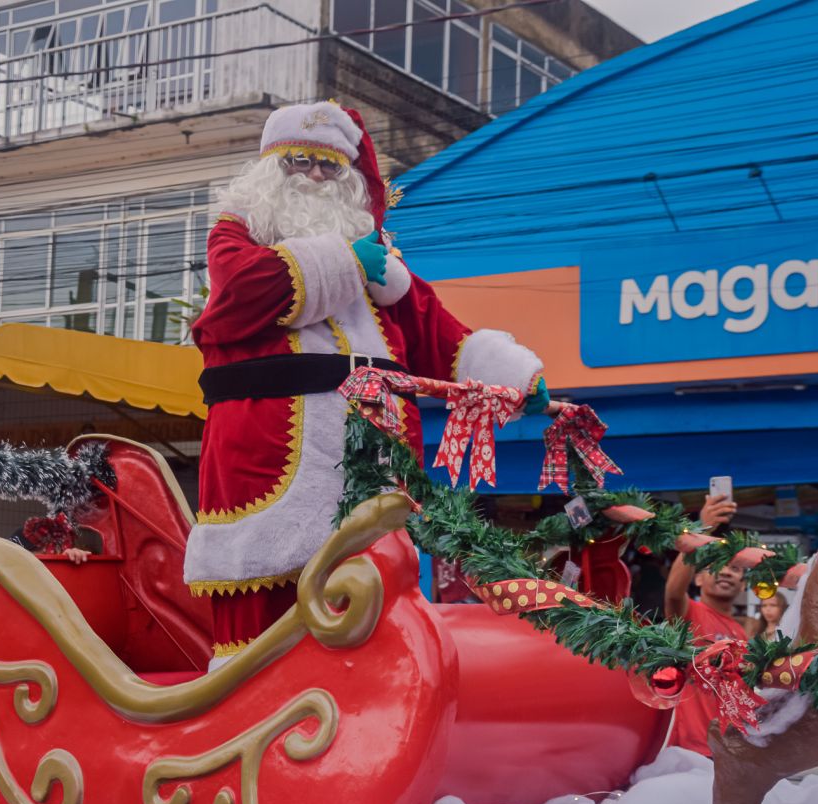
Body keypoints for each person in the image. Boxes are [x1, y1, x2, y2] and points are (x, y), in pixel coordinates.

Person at [188, 101, 550, 667]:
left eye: (330, 166)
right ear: (270, 168)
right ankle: (250, 699)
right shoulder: (238, 235)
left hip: (374, 467)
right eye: (299, 160)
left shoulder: (380, 270)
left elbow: (439, 333)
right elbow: (240, 291)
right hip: (265, 459)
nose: (314, 175)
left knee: (372, 605)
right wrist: (344, 262)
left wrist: (515, 377)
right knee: (263, 606)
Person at [663, 492, 741, 757]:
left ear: (743, 584)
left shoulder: (740, 632)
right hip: (690, 752)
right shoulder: (690, 613)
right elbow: (673, 592)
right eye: (717, 566)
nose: (727, 572)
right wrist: (702, 528)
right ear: (698, 579)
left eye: (736, 568)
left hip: (729, 753)